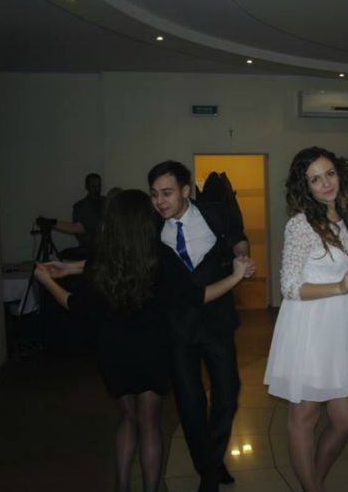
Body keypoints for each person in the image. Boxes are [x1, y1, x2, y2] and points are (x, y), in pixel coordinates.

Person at [33, 190, 249, 492]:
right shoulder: (161, 257)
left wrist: (48, 281)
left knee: (127, 418)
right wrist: (236, 277)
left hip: (113, 350)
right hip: (153, 349)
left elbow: (74, 304)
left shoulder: (102, 259)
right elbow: (197, 296)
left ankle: (121, 486)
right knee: (149, 421)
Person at [264, 147, 348, 492]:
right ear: (304, 187)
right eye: (315, 179)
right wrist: (338, 286)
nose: (326, 183)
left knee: (345, 419)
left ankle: (315, 480)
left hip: (341, 326)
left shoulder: (347, 216)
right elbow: (290, 286)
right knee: (305, 416)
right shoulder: (300, 225)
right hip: (309, 326)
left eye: (330, 174)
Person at [148, 161, 254, 492]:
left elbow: (238, 239)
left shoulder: (215, 214)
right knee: (190, 403)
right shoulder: (150, 228)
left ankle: (213, 457)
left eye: (167, 193)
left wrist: (241, 256)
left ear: (185, 190)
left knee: (228, 394)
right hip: (177, 327)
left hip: (217, 322)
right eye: (154, 194)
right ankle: (208, 472)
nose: (160, 201)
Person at [54, 173, 106, 252]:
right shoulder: (79, 207)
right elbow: (78, 232)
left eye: (98, 186)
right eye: (93, 186)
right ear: (86, 187)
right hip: (89, 248)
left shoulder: (107, 202)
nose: (97, 189)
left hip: (107, 247)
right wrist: (94, 241)